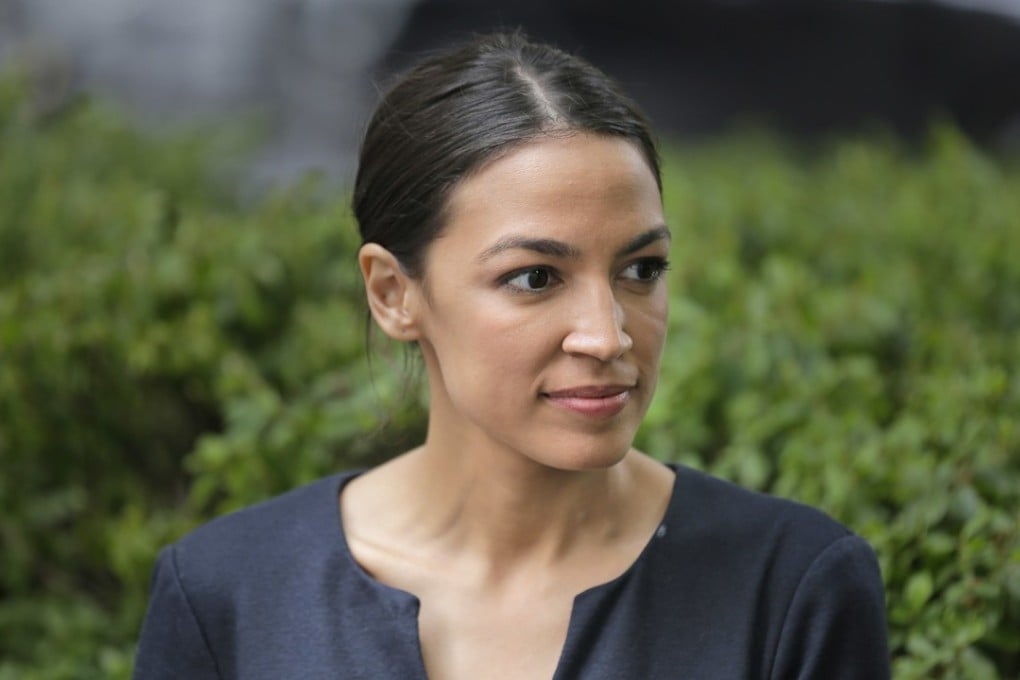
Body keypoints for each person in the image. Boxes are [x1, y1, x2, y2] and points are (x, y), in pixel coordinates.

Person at [133, 31, 890, 679]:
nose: (607, 335)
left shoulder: (792, 588)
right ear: (395, 293)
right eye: (534, 277)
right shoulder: (229, 595)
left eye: (641, 270)